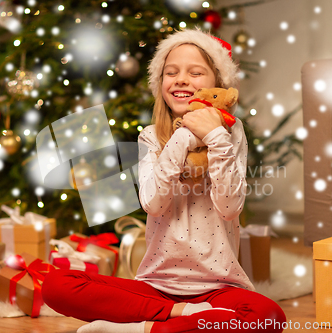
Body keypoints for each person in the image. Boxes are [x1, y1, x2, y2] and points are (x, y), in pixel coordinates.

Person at [42, 27, 287, 333]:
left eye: (195, 73)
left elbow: (230, 207)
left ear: (219, 86)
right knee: (56, 284)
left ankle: (139, 329)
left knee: (269, 317)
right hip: (157, 287)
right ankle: (180, 315)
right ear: (161, 85)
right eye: (171, 72)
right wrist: (184, 134)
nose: (181, 79)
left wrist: (213, 135)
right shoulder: (150, 137)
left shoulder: (230, 133)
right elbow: (153, 204)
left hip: (217, 288)